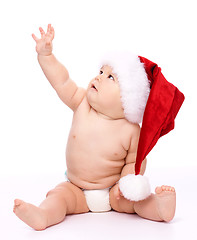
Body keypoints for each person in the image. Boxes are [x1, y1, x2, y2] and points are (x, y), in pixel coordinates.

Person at [13, 24, 176, 231]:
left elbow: (135, 162)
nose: (98, 76)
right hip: (76, 189)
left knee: (136, 203)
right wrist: (46, 55)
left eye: (110, 77)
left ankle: (160, 208)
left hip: (113, 193)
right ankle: (43, 215)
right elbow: (61, 81)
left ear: (128, 99)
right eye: (100, 71)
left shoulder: (131, 129)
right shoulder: (81, 102)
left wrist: (125, 185)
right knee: (58, 196)